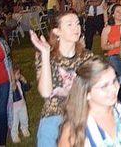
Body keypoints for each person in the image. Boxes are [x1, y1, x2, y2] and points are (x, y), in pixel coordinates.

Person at [57, 56, 121, 147]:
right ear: (87, 93)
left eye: (114, 81)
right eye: (104, 86)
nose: (114, 89)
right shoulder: (74, 128)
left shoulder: (120, 110)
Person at [30, 10, 94, 146]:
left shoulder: (86, 56)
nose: (76, 28)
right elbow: (46, 92)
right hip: (53, 116)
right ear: (57, 31)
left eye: (77, 23)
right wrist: (45, 54)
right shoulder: (46, 55)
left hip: (80, 115)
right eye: (69, 24)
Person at [0, 18, 13, 147]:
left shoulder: (2, 43)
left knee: (1, 112)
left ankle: (1, 143)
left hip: (2, 82)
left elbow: (9, 62)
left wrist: (13, 80)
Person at [10, 65, 31, 143]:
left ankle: (25, 128)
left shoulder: (19, 82)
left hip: (22, 105)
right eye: (18, 74)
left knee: (24, 118)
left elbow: (27, 88)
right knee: (14, 122)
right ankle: (14, 135)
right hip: (14, 108)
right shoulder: (10, 85)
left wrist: (25, 81)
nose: (20, 75)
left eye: (19, 73)